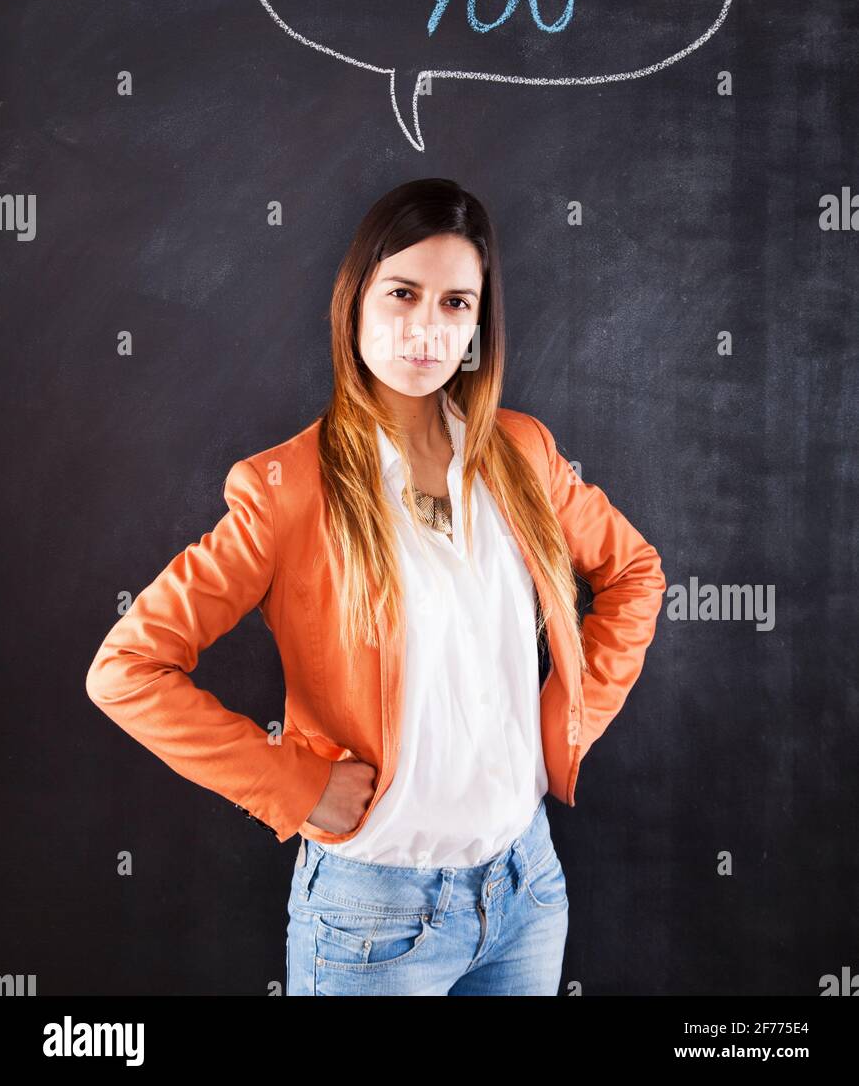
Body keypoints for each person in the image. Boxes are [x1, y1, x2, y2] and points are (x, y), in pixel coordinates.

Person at [86, 176, 666, 996]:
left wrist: (566, 721)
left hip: (527, 889)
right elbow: (126, 670)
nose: (427, 329)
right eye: (403, 293)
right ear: (355, 299)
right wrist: (293, 784)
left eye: (456, 303)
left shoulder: (521, 452)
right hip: (373, 919)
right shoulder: (288, 489)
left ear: (478, 323)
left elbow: (635, 573)